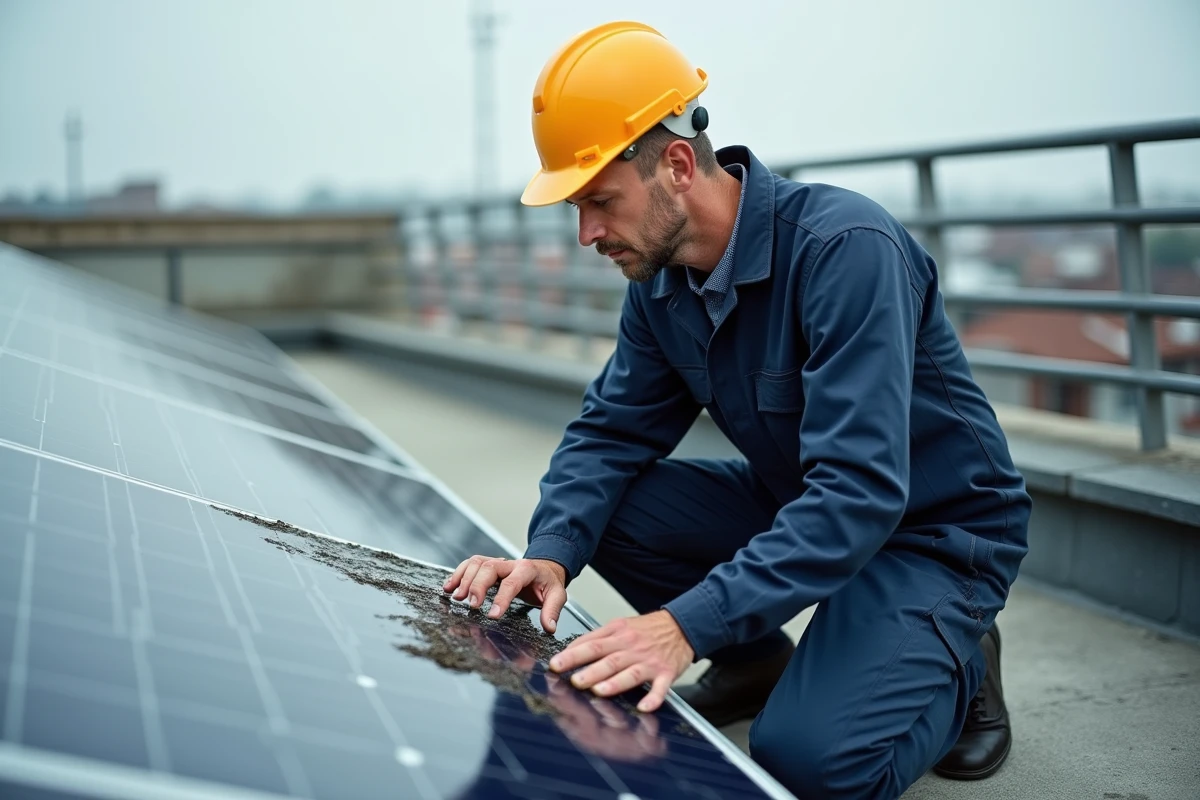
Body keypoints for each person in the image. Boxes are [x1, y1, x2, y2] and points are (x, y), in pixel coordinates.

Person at [442, 20, 1032, 799]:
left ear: (677, 165)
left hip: (930, 534)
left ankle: (958, 653)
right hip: (801, 496)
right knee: (606, 510)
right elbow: (609, 433)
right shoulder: (658, 284)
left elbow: (861, 490)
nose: (587, 234)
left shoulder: (845, 250)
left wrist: (682, 628)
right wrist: (550, 552)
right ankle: (757, 665)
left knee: (808, 764)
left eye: (600, 202)